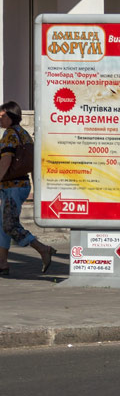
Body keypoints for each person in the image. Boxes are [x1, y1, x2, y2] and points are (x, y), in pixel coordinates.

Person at [0, 101, 55, 276]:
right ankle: (2, 264)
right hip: (21, 184)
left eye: (2, 116)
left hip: (12, 186)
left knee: (9, 225)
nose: (0, 120)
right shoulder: (24, 134)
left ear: (11, 116)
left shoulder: (9, 134)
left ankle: (42, 248)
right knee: (3, 224)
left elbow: (6, 161)